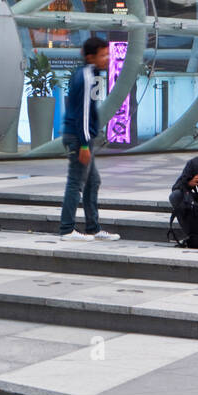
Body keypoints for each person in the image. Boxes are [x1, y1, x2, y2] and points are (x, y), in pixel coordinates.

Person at [59, 36, 121, 242]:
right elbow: (83, 114)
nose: (108, 58)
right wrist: (85, 144)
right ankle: (67, 228)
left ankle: (93, 228)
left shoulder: (90, 74)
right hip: (79, 138)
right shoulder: (86, 76)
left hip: (80, 136)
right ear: (90, 57)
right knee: (76, 181)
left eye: (108, 54)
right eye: (103, 55)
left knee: (92, 181)